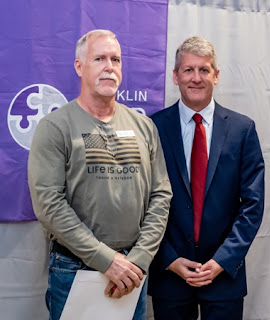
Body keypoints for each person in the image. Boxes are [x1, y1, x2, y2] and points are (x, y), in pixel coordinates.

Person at [28, 29, 172, 320]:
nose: (110, 66)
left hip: (133, 270)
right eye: (100, 58)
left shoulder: (143, 126)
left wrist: (139, 260)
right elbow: (49, 205)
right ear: (80, 67)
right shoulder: (56, 127)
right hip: (74, 269)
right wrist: (106, 261)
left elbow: (161, 194)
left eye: (116, 59)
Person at [148, 36, 265, 320]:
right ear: (176, 76)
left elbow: (253, 205)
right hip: (170, 274)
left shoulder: (242, 130)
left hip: (225, 276)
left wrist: (222, 261)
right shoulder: (153, 128)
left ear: (216, 75)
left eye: (204, 69)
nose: (196, 78)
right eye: (188, 70)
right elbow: (142, 202)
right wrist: (169, 258)